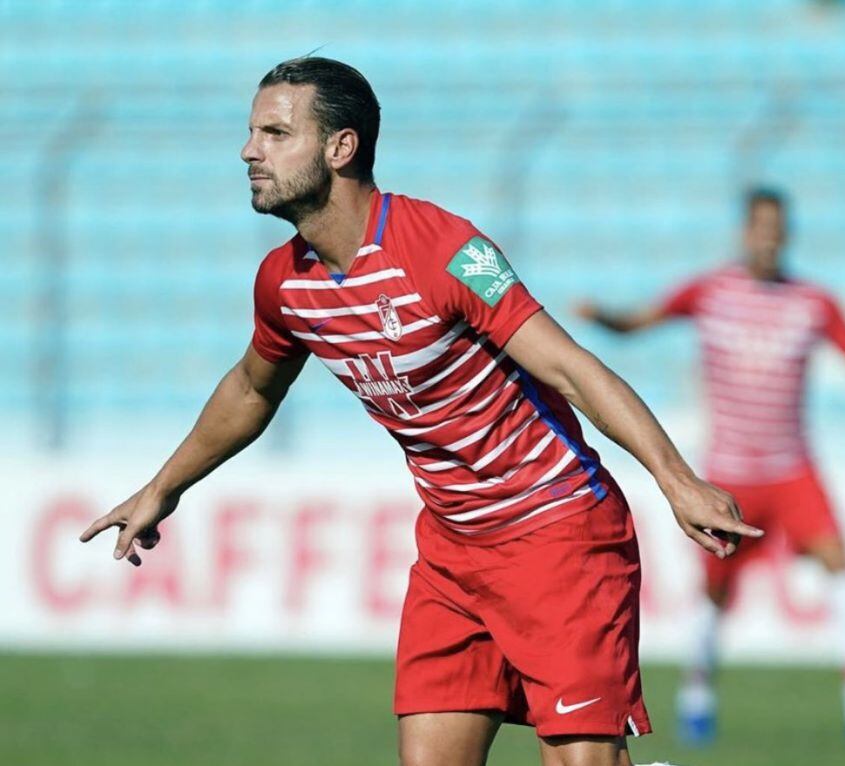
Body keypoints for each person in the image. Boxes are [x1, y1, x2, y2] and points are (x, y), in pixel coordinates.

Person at [77, 57, 761, 766]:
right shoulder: (285, 282)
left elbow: (570, 368)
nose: (250, 150)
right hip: (452, 554)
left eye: (276, 133)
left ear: (340, 148)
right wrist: (165, 488)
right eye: (252, 132)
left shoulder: (444, 249)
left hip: (558, 535)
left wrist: (676, 479)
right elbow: (252, 389)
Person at [576, 187, 845, 750]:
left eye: (778, 228)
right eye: (760, 226)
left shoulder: (812, 302)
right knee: (718, 590)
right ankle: (698, 693)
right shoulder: (710, 291)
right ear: (744, 232)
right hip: (729, 472)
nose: (769, 237)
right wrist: (602, 315)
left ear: (788, 234)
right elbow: (639, 323)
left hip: (791, 468)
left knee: (842, 564)